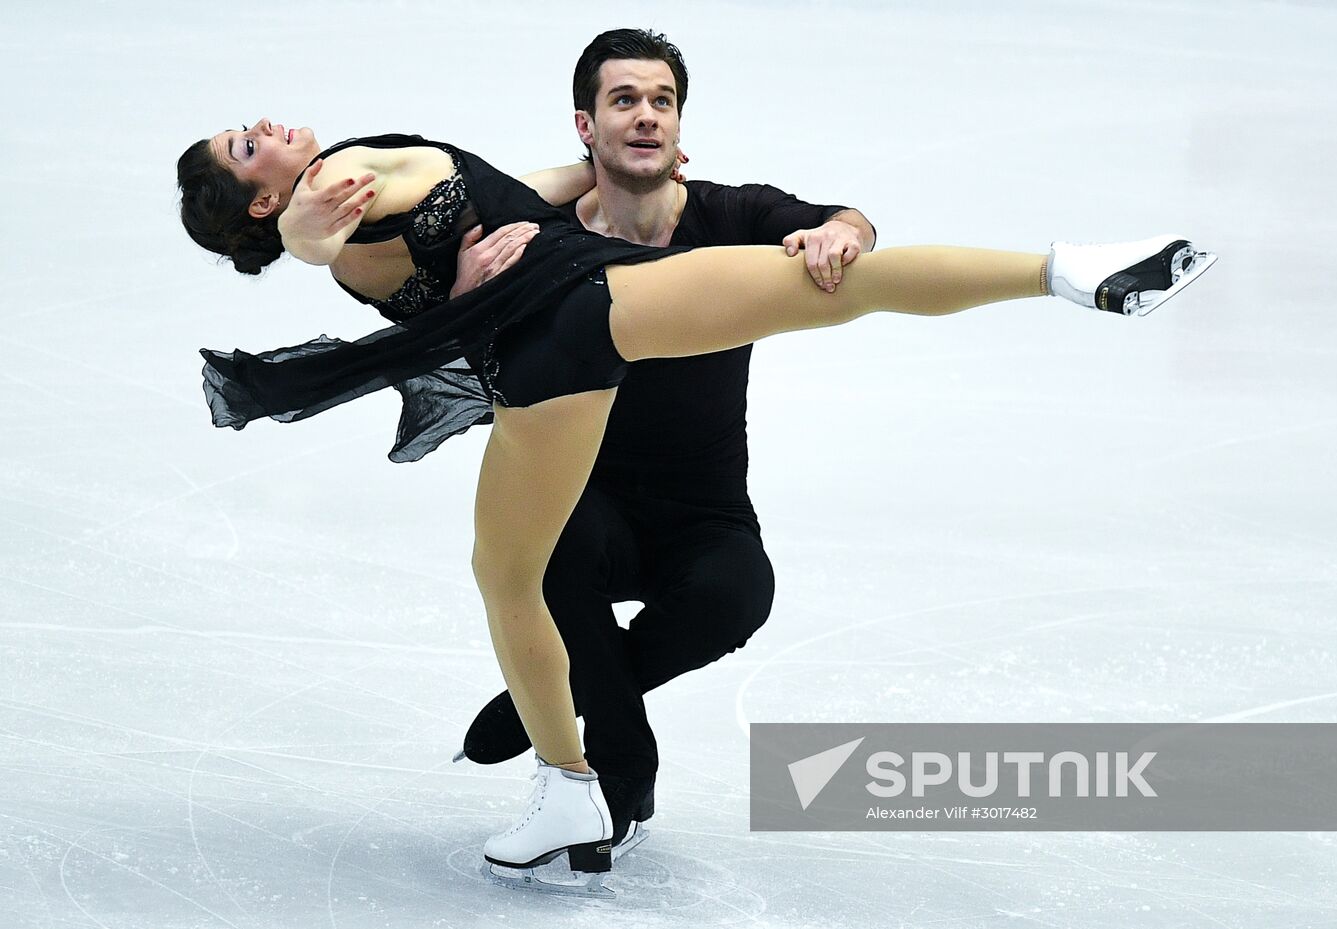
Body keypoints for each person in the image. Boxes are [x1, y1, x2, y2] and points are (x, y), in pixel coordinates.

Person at [177, 91, 1215, 890]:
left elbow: (465, 206)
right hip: (593, 307)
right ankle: (1065, 269)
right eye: (242, 145)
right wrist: (312, 227)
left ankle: (565, 784)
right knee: (842, 287)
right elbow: (335, 226)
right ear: (264, 199)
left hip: (540, 366)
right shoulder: (343, 176)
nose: (259, 125)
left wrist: (370, 245)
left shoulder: (345, 243)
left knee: (509, 578)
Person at [448, 29, 877, 858]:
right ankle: (621, 759)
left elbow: (844, 218)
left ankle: (559, 698)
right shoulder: (538, 239)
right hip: (587, 501)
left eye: (662, 102)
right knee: (550, 552)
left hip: (702, 509)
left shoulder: (733, 216)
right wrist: (468, 292)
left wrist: (844, 231)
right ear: (586, 126)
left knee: (739, 594)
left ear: (680, 125)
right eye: (624, 101)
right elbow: (463, 333)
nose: (646, 117)